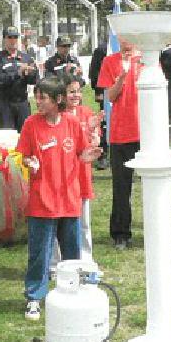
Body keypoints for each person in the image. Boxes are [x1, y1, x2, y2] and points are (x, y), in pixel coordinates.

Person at [18, 77, 103, 320]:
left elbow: (81, 152)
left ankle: (72, 295)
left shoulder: (73, 124)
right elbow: (23, 155)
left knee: (71, 254)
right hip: (42, 203)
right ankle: (35, 297)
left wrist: (89, 155)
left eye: (42, 98)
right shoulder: (30, 125)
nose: (38, 102)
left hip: (69, 201)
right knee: (39, 254)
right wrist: (29, 162)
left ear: (58, 100)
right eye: (36, 97)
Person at [96, 38, 144, 249]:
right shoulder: (110, 61)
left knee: (154, 185)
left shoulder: (148, 59)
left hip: (146, 132)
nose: (127, 41)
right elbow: (111, 97)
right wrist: (121, 78)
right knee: (121, 186)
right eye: (123, 36)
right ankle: (121, 234)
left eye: (131, 36)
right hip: (121, 133)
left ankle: (154, 230)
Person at [52, 74, 101, 264]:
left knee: (84, 222)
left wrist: (93, 134)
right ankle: (57, 261)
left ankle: (86, 259)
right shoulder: (56, 116)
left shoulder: (87, 113)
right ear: (61, 95)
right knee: (58, 221)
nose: (76, 95)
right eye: (71, 92)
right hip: (60, 177)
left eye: (78, 91)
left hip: (81, 176)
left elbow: (94, 142)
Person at [0, 26, 40, 130]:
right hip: (4, 105)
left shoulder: (26, 58)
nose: (13, 40)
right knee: (5, 140)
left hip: (22, 103)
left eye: (15, 37)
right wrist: (17, 73)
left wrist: (30, 73)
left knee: (25, 137)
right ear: (4, 39)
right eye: (10, 37)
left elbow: (35, 80)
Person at [88, 42, 110, 170]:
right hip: (106, 92)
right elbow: (95, 70)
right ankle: (103, 155)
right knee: (105, 124)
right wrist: (98, 91)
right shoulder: (103, 49)